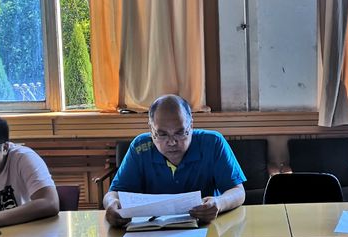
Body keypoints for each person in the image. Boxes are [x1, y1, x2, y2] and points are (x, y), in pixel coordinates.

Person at [104, 94, 246, 227]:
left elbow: (238, 192)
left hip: (205, 226)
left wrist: (219, 203)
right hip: (152, 230)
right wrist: (111, 204)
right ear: (151, 130)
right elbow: (114, 193)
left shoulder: (213, 143)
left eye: (180, 132)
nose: (172, 142)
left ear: (191, 126)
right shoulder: (140, 148)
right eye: (162, 134)